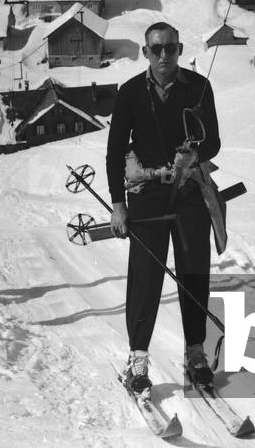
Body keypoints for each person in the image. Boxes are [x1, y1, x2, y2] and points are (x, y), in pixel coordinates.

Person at [106, 21, 221, 395]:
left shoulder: (199, 88)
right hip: (147, 194)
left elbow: (214, 140)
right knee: (146, 277)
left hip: (189, 191)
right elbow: (113, 153)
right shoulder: (129, 94)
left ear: (180, 48)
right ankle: (138, 357)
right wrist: (118, 205)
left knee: (193, 272)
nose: (164, 56)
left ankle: (195, 352)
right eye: (156, 49)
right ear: (145, 52)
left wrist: (196, 154)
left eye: (170, 48)